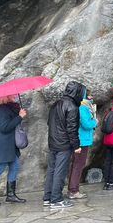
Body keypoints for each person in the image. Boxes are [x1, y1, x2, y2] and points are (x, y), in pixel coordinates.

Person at [43, 81, 85, 209]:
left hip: (53, 142)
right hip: (63, 144)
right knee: (60, 172)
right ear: (76, 92)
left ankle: (48, 197)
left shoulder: (56, 104)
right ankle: (56, 199)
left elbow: (49, 123)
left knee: (51, 170)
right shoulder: (72, 107)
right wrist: (76, 146)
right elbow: (72, 129)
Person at [67, 88, 97, 199]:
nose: (92, 97)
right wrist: (95, 122)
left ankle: (72, 188)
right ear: (85, 96)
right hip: (82, 140)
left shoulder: (80, 106)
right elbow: (86, 124)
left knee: (76, 164)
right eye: (90, 95)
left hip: (80, 139)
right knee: (78, 165)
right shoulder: (83, 107)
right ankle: (74, 190)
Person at [0, 95, 27, 204]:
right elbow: (4, 127)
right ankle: (10, 195)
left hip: (11, 145)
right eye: (12, 95)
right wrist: (19, 117)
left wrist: (19, 114)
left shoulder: (10, 107)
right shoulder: (1, 109)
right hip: (4, 145)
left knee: (14, 166)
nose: (14, 96)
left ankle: (11, 195)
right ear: (5, 97)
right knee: (0, 168)